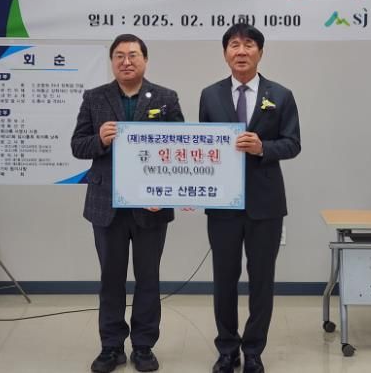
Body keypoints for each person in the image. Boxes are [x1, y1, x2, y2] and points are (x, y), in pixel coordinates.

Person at [71, 34, 184, 373]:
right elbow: (78, 145)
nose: (126, 61)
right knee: (111, 278)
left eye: (133, 55)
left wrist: (165, 193)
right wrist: (99, 140)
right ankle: (111, 346)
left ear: (145, 60)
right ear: (112, 62)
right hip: (106, 205)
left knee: (148, 278)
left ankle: (144, 346)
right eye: (119, 55)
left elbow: (179, 148)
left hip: (151, 205)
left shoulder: (165, 98)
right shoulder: (95, 98)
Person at [199, 23, 301, 373]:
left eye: (248, 45)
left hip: (266, 203)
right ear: (225, 53)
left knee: (261, 280)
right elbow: (203, 148)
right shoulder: (210, 95)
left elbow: (293, 144)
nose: (241, 51)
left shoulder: (281, 95)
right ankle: (227, 349)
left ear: (260, 51)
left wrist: (262, 148)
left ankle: (254, 350)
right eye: (234, 45)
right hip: (223, 204)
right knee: (224, 279)